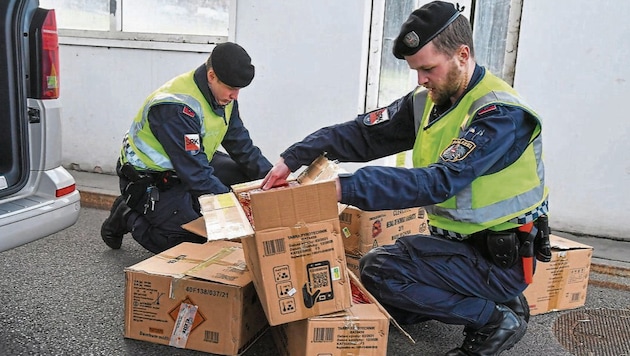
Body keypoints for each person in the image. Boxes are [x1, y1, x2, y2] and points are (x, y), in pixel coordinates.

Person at [261, 2, 549, 355]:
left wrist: (341, 188)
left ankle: (494, 318)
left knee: (381, 272)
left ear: (462, 54)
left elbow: (437, 182)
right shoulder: (431, 99)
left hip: (498, 259)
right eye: (416, 71)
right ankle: (494, 297)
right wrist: (294, 157)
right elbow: (364, 134)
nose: (421, 80)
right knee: (392, 303)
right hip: (463, 248)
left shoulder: (498, 115)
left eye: (428, 69)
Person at [101, 42, 272, 254]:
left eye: (238, 89)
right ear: (211, 76)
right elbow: (196, 174)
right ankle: (126, 213)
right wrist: (234, 213)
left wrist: (274, 183)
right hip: (152, 179)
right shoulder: (176, 108)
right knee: (190, 241)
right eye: (231, 88)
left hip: (190, 163)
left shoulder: (223, 97)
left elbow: (243, 147)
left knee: (245, 178)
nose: (235, 96)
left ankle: (187, 208)